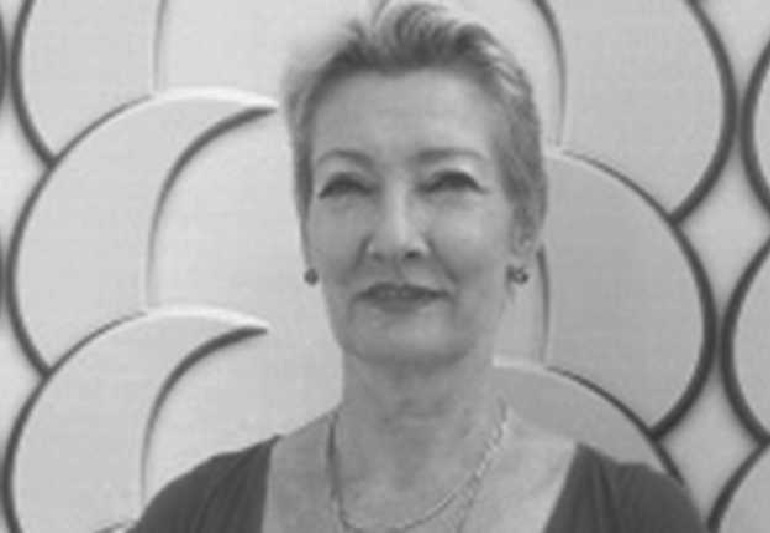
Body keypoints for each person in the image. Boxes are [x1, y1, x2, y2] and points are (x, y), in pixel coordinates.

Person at [132, 0, 707, 531]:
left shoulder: (636, 520)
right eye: (349, 185)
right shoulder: (192, 517)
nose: (394, 237)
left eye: (445, 182)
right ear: (307, 231)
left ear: (524, 227)